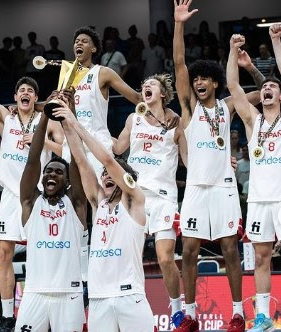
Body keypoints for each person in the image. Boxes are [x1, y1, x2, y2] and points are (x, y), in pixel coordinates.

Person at [172, 1, 265, 331]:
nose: (198, 82)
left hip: (224, 188)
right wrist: (179, 24)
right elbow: (180, 62)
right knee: (189, 249)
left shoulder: (227, 107)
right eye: (196, 79)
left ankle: (238, 314)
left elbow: (265, 94)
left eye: (204, 79)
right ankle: (191, 316)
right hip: (196, 189)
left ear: (214, 82)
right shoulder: (188, 111)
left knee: (229, 249)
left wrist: (244, 62)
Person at [0, 32, 64, 331]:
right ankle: (8, 316)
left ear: (36, 99)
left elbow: (66, 151)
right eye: (21, 89)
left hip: (40, 195)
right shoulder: (4, 118)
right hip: (11, 195)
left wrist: (42, 143)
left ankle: (42, 311)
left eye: (30, 91)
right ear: (15, 97)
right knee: (6, 253)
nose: (25, 93)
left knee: (42, 253)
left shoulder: (47, 120)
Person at [54, 99, 154, 332]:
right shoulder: (99, 203)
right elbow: (80, 160)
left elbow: (108, 159)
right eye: (104, 175)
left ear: (124, 180)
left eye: (112, 175)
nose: (106, 176)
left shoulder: (134, 201)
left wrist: (76, 123)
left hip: (130, 296)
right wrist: (66, 122)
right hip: (99, 298)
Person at [112, 73, 187, 328]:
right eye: (144, 85)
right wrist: (94, 132)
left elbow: (188, 160)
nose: (146, 87)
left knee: (165, 258)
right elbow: (118, 148)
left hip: (164, 197)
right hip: (135, 197)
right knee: (130, 257)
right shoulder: (134, 118)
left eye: (152, 85)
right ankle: (135, 310)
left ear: (163, 93)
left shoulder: (176, 123)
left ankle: (178, 309)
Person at [228, 29, 281, 331]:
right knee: (262, 257)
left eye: (272, 86)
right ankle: (263, 317)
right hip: (258, 201)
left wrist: (276, 43)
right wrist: (232, 51)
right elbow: (232, 86)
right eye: (263, 86)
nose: (266, 89)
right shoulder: (253, 122)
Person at [16, 92, 87, 331]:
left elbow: (77, 158)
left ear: (68, 181)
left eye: (58, 172)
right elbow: (32, 159)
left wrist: (70, 113)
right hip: (35, 292)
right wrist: (46, 113)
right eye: (48, 171)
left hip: (70, 293)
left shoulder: (76, 203)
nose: (51, 174)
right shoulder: (31, 201)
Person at [69, 26, 178, 180]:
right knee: (72, 198)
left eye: (84, 41)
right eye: (77, 41)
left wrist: (168, 111)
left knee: (101, 199)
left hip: (96, 143)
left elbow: (136, 97)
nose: (79, 43)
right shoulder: (67, 76)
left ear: (93, 48)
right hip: (71, 143)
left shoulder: (103, 72)